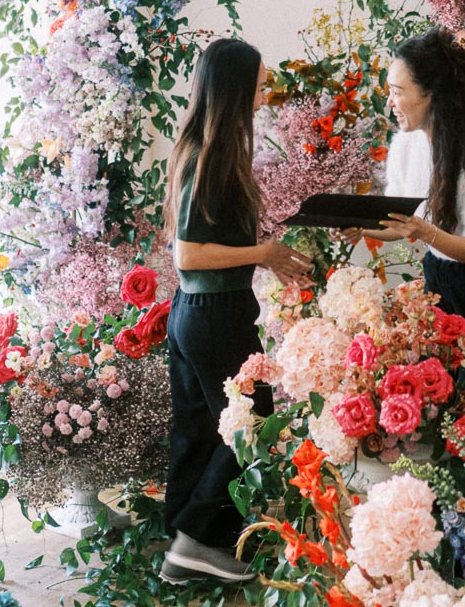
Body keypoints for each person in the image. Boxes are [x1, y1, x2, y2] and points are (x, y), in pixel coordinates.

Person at [160, 38, 313, 585]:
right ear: (234, 88)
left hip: (200, 310)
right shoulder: (208, 155)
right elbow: (189, 253)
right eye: (259, 82)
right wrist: (262, 253)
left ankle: (183, 544)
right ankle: (195, 541)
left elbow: (207, 245)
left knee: (201, 430)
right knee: (253, 423)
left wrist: (268, 260)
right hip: (214, 312)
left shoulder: (204, 148)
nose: (264, 91)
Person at [354, 28, 465, 332]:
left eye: (398, 92)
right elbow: (399, 223)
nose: (389, 103)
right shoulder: (405, 144)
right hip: (438, 276)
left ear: (430, 94)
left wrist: (424, 230)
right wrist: (360, 229)